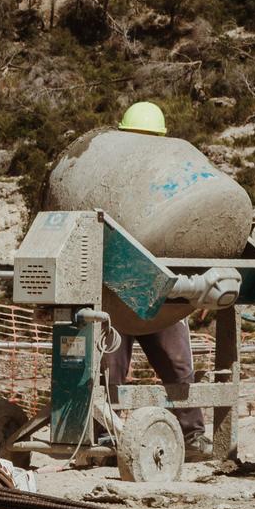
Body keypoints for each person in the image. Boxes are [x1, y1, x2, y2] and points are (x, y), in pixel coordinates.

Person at [103, 101, 209, 458]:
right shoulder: (109, 175)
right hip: (114, 289)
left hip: (162, 289)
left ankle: (192, 436)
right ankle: (103, 436)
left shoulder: (171, 178)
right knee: (107, 371)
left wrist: (197, 288)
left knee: (178, 367)